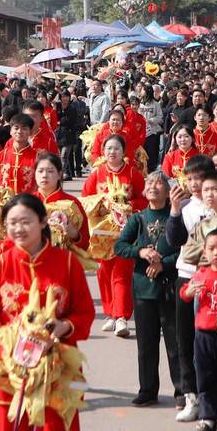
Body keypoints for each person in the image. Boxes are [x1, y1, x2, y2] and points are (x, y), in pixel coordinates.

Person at [0, 193, 94, 431]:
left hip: (57, 372)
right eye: (12, 223)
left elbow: (85, 312)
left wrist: (64, 326)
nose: (19, 229)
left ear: (43, 222)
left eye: (26, 221)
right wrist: (10, 347)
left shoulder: (67, 264)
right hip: (9, 375)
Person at [115, 170, 180, 408]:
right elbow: (119, 247)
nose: (153, 186)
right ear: (143, 190)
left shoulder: (176, 216)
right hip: (143, 288)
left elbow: (183, 249)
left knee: (175, 343)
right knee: (146, 344)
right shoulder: (138, 219)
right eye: (149, 183)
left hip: (168, 286)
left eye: (159, 183)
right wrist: (141, 252)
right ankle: (148, 389)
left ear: (167, 189)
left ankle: (181, 390)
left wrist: (163, 264)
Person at [82, 134, 146, 338]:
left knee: (122, 272)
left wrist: (128, 207)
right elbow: (85, 200)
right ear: (103, 151)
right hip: (102, 232)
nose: (112, 152)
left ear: (123, 151)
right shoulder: (96, 174)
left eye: (116, 148)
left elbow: (145, 200)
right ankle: (110, 313)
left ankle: (122, 317)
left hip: (126, 231)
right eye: (108, 148)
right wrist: (103, 204)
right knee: (104, 272)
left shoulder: (133, 174)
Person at [180, 229, 217, 430]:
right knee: (204, 377)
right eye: (211, 248)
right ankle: (207, 416)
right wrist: (189, 291)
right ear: (204, 252)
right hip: (202, 335)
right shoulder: (200, 273)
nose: (216, 253)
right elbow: (184, 295)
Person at [0, 113, 39, 196]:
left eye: (24, 128)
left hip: (28, 204)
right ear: (11, 131)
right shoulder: (1, 156)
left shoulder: (37, 157)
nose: (19, 131)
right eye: (16, 128)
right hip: (4, 205)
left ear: (30, 132)